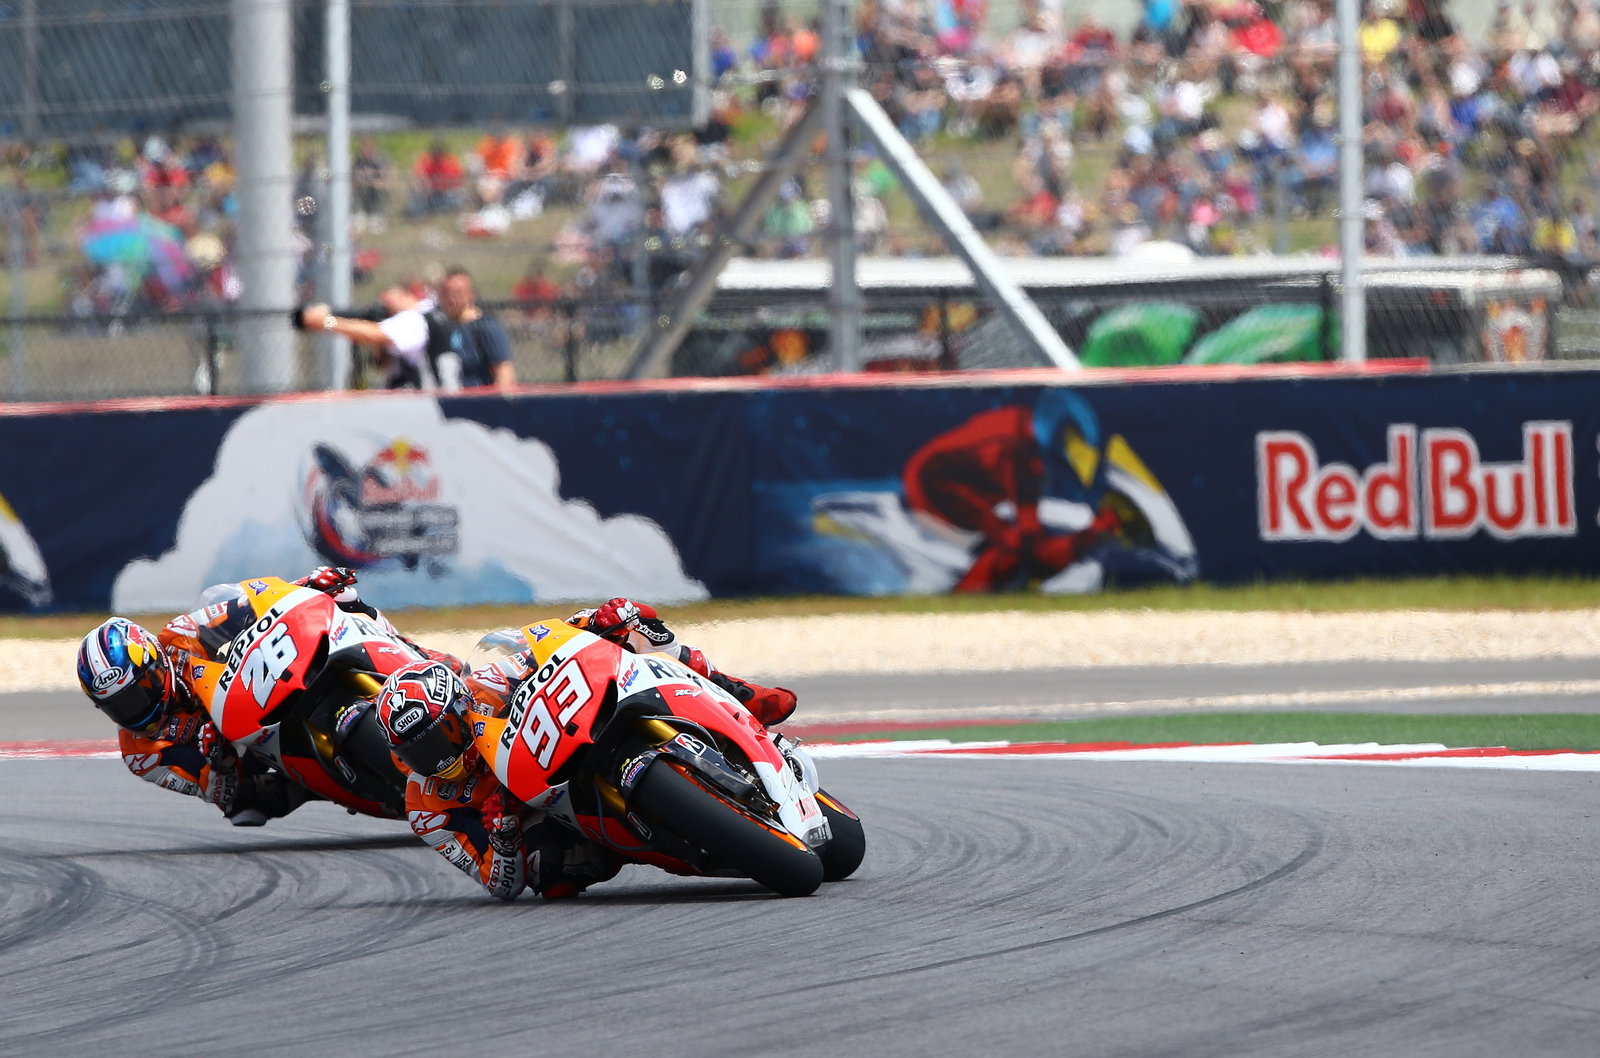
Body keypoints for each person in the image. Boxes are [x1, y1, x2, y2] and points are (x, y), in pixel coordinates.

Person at [73, 566, 400, 827]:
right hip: (245, 751)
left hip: (258, 684)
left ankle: (405, 652)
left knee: (345, 601)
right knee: (247, 806)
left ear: (155, 661)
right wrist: (219, 760)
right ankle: (332, 785)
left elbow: (249, 604)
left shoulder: (182, 635)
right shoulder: (143, 754)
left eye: (140, 689)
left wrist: (305, 586)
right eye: (120, 706)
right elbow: (215, 789)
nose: (137, 707)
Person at [296, 286, 451, 391]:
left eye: (388, 303)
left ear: (403, 296)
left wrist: (326, 321)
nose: (384, 307)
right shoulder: (431, 315)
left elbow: (376, 334)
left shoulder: (414, 319)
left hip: (425, 401)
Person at [437, 266, 516, 390]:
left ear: (470, 295)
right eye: (446, 293)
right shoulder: (439, 327)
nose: (451, 299)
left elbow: (503, 372)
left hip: (477, 397)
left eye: (458, 293)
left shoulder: (486, 327)